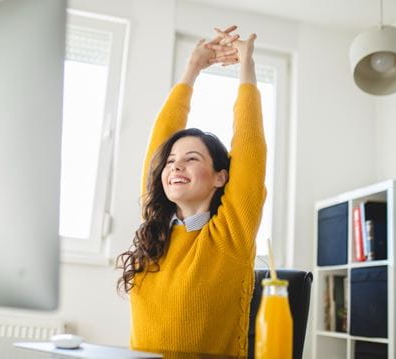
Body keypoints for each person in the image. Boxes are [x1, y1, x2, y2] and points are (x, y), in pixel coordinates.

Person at [116, 25, 266, 357]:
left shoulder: (229, 234)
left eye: (192, 158)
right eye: (171, 162)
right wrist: (193, 67)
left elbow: (250, 145)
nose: (175, 167)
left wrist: (246, 65)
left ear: (220, 177)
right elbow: (161, 141)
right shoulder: (157, 230)